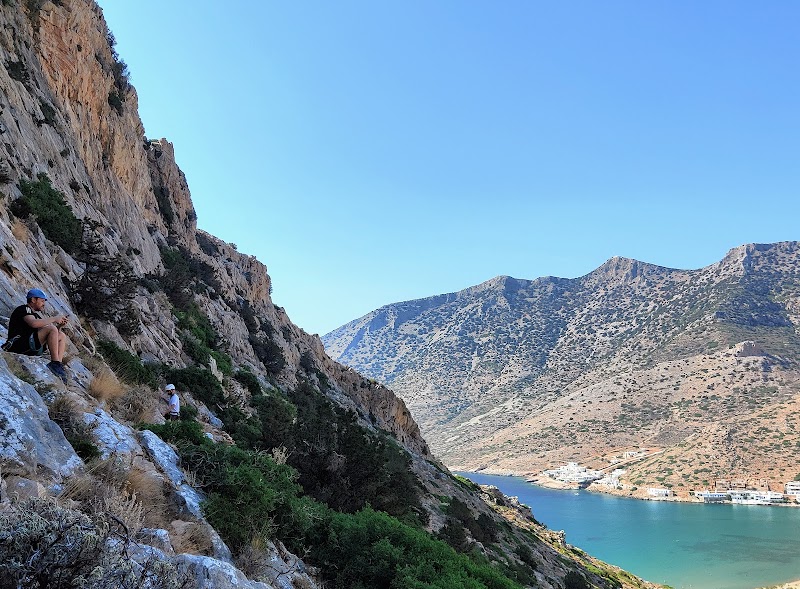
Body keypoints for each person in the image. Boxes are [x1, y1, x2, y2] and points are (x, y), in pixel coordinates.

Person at [5, 288, 68, 382]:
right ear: (33, 300)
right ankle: (54, 363)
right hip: (17, 345)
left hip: (28, 345)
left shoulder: (35, 315)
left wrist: (59, 326)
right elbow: (33, 324)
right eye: (42, 301)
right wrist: (54, 319)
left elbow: (52, 335)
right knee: (51, 328)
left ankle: (58, 364)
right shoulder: (23, 309)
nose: (44, 304)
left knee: (61, 335)